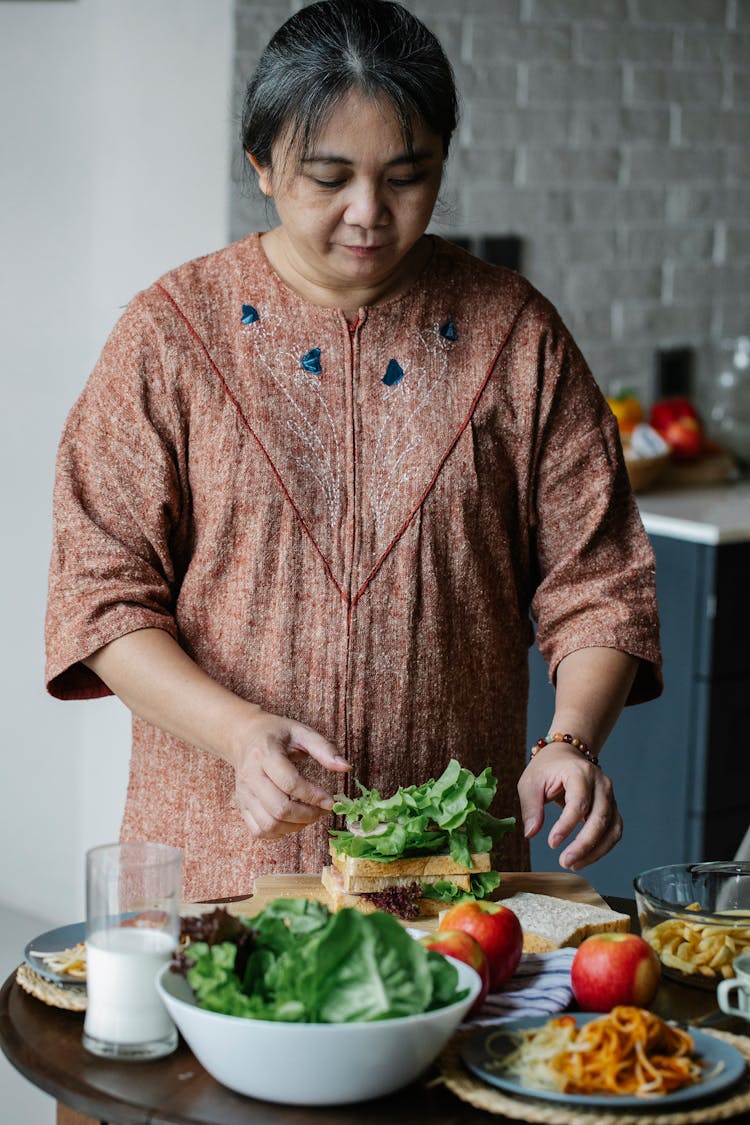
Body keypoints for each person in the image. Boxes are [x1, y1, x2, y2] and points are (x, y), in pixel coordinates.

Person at [45, 0, 661, 903]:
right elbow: (98, 596)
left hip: (449, 880)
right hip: (222, 860)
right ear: (261, 164)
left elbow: (599, 581)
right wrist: (239, 729)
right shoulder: (170, 335)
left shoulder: (515, 335)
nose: (368, 213)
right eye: (327, 177)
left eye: (407, 176)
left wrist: (571, 738)